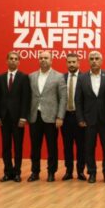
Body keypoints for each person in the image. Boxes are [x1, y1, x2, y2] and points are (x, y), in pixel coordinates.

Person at [27, 51, 67, 182]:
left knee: (52, 147)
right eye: (41, 58)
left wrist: (60, 116)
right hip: (35, 116)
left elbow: (63, 98)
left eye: (46, 58)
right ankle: (35, 172)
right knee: (35, 147)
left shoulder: (59, 77)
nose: (43, 60)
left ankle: (51, 172)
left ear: (51, 60)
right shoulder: (31, 76)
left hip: (51, 117)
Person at [76, 51, 105, 183]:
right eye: (91, 59)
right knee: (89, 148)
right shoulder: (82, 78)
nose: (94, 61)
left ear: (101, 61)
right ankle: (91, 173)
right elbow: (78, 100)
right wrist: (80, 118)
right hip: (88, 120)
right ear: (88, 61)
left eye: (97, 58)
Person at [0, 51, 30, 182]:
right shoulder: (0, 78)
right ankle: (7, 172)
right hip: (4, 118)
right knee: (6, 147)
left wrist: (23, 117)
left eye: (16, 59)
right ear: (7, 61)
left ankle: (17, 173)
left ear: (19, 62)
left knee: (18, 147)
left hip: (18, 119)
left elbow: (26, 99)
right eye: (11, 58)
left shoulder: (23, 77)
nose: (13, 60)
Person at [61, 53, 86, 181]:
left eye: (73, 62)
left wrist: (83, 118)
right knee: (67, 146)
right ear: (66, 63)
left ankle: (80, 171)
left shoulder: (85, 77)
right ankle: (68, 171)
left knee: (81, 146)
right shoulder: (62, 78)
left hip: (80, 117)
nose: (71, 64)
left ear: (78, 63)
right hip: (65, 117)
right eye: (69, 62)